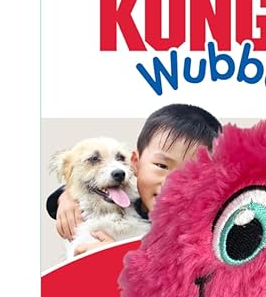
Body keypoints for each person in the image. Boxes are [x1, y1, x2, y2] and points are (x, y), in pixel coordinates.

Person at [47, 104, 222, 253]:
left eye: (189, 174)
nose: (172, 182)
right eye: (161, 166)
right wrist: (65, 196)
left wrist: (113, 259)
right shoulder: (131, 202)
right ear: (134, 164)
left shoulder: (209, 234)